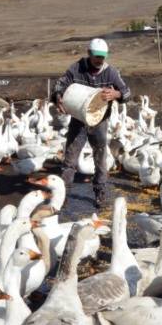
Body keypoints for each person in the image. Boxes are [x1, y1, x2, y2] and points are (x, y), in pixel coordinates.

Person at [50, 38, 130, 207]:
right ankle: (62, 194)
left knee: (100, 157)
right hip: (78, 120)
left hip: (99, 121)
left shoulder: (111, 72)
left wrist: (116, 95)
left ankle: (100, 192)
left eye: (102, 57)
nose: (100, 60)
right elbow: (60, 84)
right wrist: (58, 97)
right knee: (70, 158)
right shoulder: (76, 68)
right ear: (89, 54)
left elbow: (126, 92)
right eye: (96, 56)